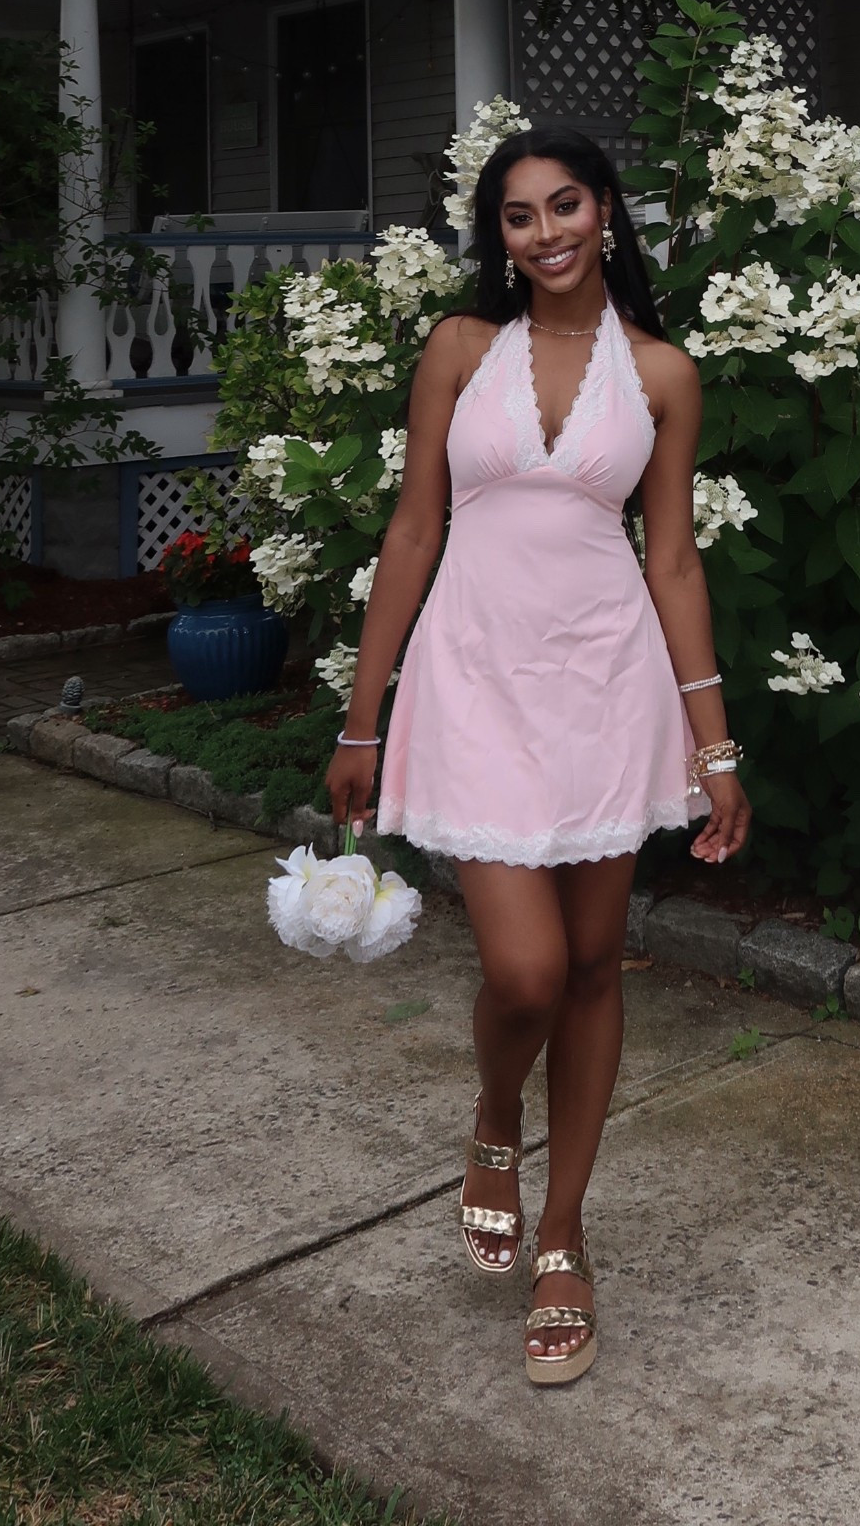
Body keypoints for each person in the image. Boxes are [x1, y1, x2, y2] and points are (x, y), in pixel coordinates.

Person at [325, 127, 752, 1386]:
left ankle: (563, 1234)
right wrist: (363, 715)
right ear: (497, 238)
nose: (546, 231)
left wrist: (713, 744)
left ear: (605, 210)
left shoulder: (664, 372)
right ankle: (491, 1115)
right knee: (523, 970)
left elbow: (671, 559)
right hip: (475, 678)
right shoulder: (459, 351)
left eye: (564, 204)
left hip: (606, 685)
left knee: (591, 966)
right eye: (518, 216)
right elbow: (414, 530)